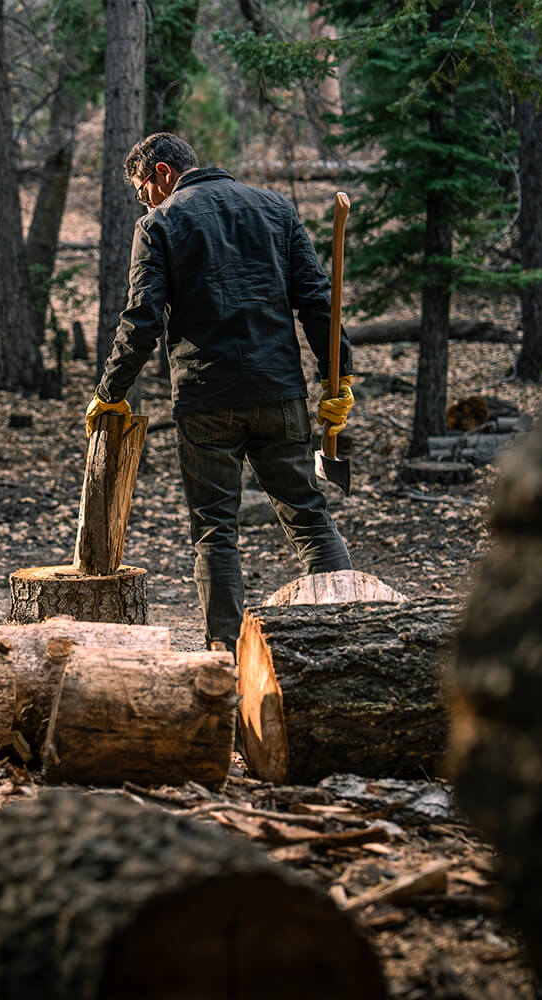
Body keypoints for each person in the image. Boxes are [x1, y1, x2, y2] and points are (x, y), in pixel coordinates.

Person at [85, 132, 355, 652]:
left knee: (214, 531)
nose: (147, 200)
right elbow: (320, 301)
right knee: (309, 518)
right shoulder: (276, 209)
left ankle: (224, 660)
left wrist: (111, 391)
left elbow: (142, 320)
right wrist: (336, 376)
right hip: (279, 392)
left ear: (162, 172)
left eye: (145, 189)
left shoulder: (159, 223)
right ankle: (343, 638)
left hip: (206, 399)